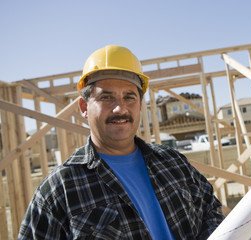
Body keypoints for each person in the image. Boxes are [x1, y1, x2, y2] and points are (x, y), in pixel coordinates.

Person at [18, 45, 224, 239]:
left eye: (129, 97)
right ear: (83, 107)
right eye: (106, 98)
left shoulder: (174, 163)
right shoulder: (60, 189)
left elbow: (210, 210)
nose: (120, 109)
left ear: (140, 104)